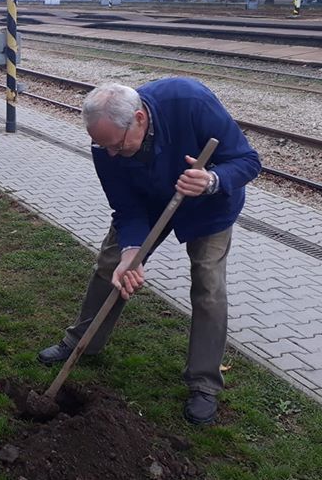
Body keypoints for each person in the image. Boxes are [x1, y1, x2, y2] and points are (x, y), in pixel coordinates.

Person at [37, 78, 261, 426]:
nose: (110, 153)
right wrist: (130, 252)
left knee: (208, 286)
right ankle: (83, 341)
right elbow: (125, 207)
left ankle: (203, 383)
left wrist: (212, 181)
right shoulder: (105, 143)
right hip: (148, 204)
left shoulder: (190, 100)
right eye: (102, 146)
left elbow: (247, 160)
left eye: (117, 146)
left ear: (139, 119)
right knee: (111, 264)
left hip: (207, 203)